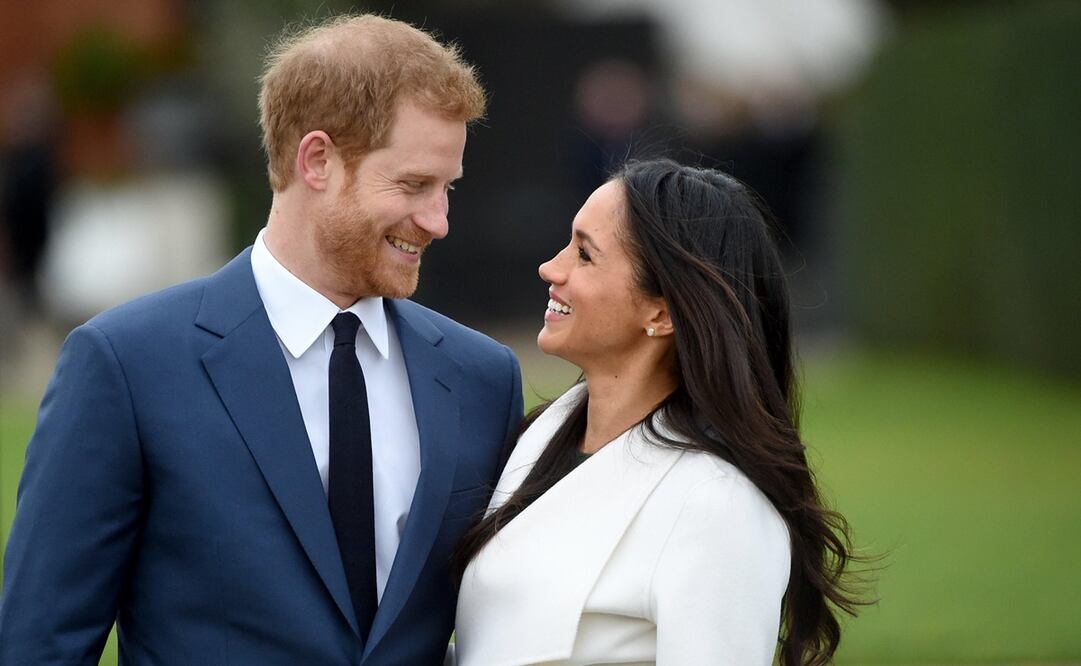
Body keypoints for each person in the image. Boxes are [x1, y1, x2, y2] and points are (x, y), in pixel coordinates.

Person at [0, 14, 523, 665]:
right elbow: (40, 644)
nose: (438, 221)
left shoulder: (482, 379)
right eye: (413, 185)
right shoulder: (127, 365)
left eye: (448, 188)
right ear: (317, 161)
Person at [455, 159, 862, 665]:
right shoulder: (540, 436)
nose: (551, 268)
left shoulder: (717, 506)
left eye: (584, 254)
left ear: (662, 312)